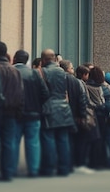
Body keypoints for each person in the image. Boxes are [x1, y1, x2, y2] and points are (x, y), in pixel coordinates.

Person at [39, 49, 75, 177]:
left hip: (49, 108)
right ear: (54, 59)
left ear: (43, 60)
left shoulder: (42, 72)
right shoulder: (63, 72)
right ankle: (64, 168)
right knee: (63, 140)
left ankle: (48, 169)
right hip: (64, 108)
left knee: (48, 139)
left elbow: (42, 92)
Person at [13, 50, 48, 178]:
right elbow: (45, 93)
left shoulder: (12, 71)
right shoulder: (34, 74)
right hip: (34, 113)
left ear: (15, 59)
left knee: (13, 141)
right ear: (27, 60)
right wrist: (37, 105)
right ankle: (33, 170)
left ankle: (11, 170)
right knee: (33, 142)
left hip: (15, 113)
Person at [0, 42, 24, 182]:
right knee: (8, 142)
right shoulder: (14, 71)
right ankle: (8, 172)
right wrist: (19, 110)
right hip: (11, 110)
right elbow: (20, 92)